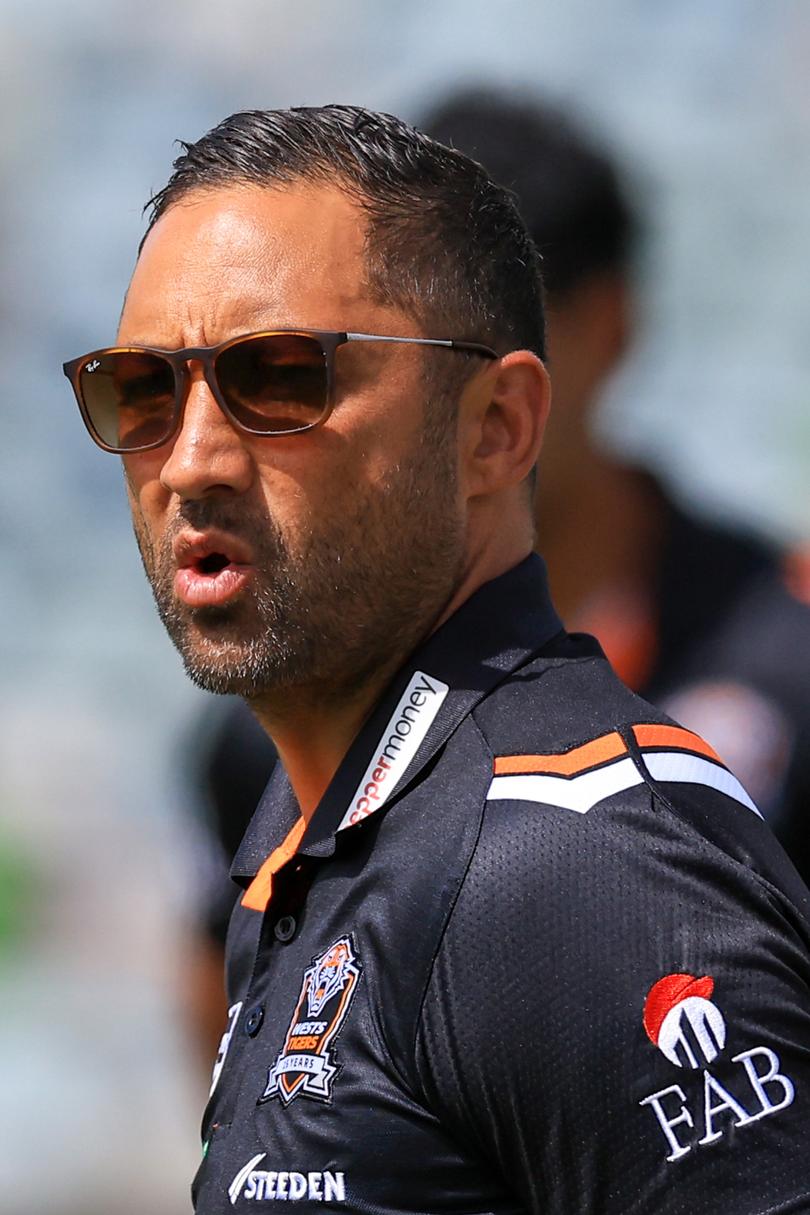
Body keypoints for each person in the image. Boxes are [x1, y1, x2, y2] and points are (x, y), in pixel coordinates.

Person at [64, 106, 810, 1214]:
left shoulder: (573, 863)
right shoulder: (302, 809)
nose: (193, 458)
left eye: (280, 378)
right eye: (142, 391)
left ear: (498, 425)